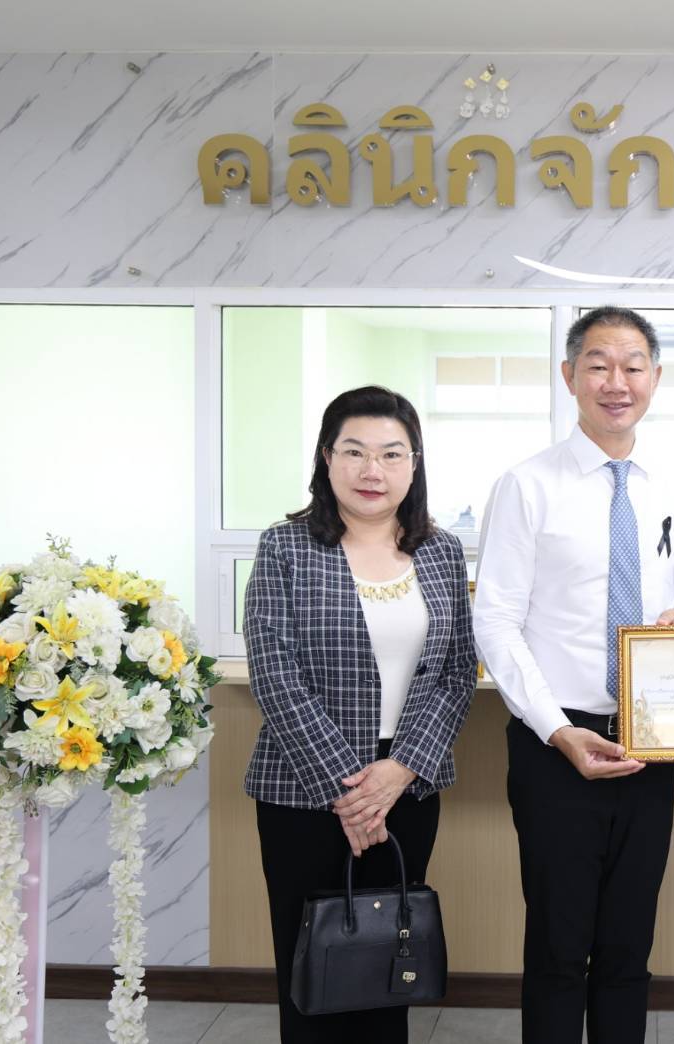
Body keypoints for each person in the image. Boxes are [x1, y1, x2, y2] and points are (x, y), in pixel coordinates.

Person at [473, 306, 674, 1044]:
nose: (617, 381)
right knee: (557, 948)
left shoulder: (670, 484)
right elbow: (496, 621)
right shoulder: (527, 485)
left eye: (633, 365)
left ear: (656, 379)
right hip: (557, 747)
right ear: (569, 375)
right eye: (599, 364)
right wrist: (557, 730)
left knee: (629, 949)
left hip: (653, 740)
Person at [244, 385, 477, 1044]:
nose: (372, 471)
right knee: (311, 965)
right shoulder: (286, 547)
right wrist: (351, 793)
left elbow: (459, 671)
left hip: (409, 786)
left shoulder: (440, 550)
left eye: (390, 454)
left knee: (388, 962)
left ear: (414, 463)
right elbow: (275, 671)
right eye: (354, 451)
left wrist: (398, 772)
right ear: (326, 457)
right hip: (302, 793)